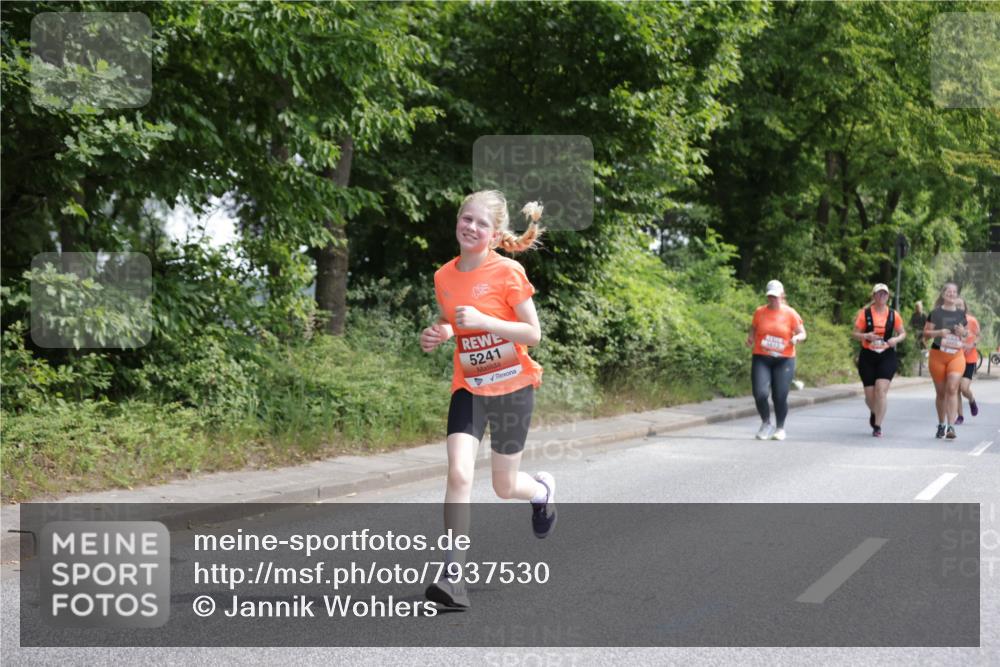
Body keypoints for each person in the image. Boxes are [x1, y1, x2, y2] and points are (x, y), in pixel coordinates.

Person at [419, 190, 554, 609]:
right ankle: (453, 577)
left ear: (494, 236)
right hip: (470, 387)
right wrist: (441, 332)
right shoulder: (444, 276)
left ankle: (541, 492)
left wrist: (485, 320)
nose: (471, 227)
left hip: (512, 387)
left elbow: (532, 333)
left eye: (481, 224)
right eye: (467, 219)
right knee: (459, 473)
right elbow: (453, 321)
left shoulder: (508, 271)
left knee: (503, 485)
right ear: (457, 221)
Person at [746, 280, 806, 441]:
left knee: (779, 396)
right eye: (770, 296)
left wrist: (797, 338)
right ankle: (766, 423)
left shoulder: (790, 313)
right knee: (760, 393)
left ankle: (780, 428)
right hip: (762, 357)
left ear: (782, 295)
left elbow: (802, 333)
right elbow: (753, 327)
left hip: (784, 360)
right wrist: (751, 337)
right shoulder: (760, 312)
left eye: (776, 296)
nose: (773, 299)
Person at [851, 284, 906, 437]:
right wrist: (865, 336)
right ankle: (875, 412)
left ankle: (877, 426)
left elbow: (902, 333)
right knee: (869, 397)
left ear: (888, 297)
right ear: (874, 296)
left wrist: (896, 339)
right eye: (879, 294)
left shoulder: (893, 314)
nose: (882, 296)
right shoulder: (865, 313)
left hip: (886, 355)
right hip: (868, 355)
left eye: (884, 294)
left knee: (880, 390)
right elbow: (854, 334)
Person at [923, 282, 969, 439]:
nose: (951, 294)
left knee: (952, 388)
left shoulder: (961, 314)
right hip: (938, 355)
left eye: (954, 292)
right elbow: (926, 334)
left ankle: (951, 427)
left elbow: (966, 335)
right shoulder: (935, 313)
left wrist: (963, 332)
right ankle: (941, 424)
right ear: (943, 294)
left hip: (956, 355)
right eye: (948, 291)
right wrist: (938, 333)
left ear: (957, 295)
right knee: (941, 393)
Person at [954, 297, 980, 425]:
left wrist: (971, 345)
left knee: (964, 388)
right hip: (956, 358)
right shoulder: (951, 322)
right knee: (956, 389)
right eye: (956, 305)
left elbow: (978, 336)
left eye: (961, 305)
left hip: (969, 359)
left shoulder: (972, 321)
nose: (958, 308)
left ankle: (971, 400)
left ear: (965, 307)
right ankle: (960, 416)